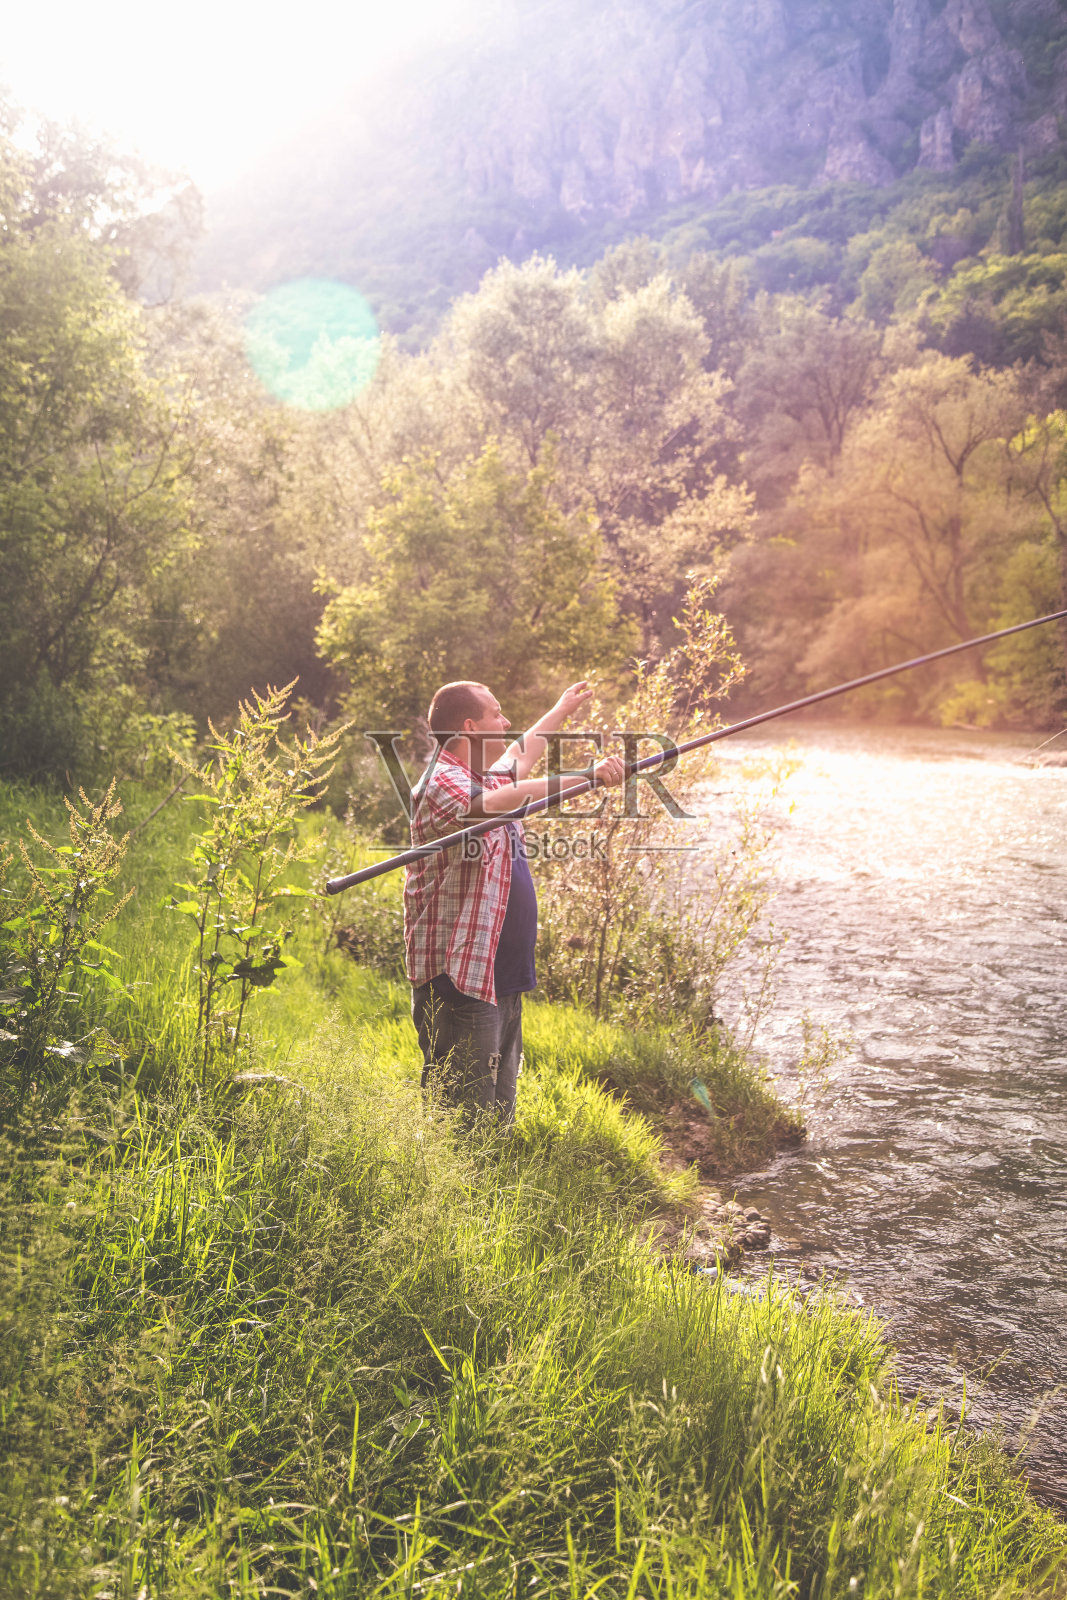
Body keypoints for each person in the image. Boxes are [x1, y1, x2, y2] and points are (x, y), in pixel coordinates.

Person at [404, 679, 625, 1124]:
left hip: (496, 974)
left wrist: (561, 708)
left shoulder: (475, 773)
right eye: (497, 715)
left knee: (498, 1109)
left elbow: (519, 757)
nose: (506, 723)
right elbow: (497, 801)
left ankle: (489, 1183)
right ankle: (451, 1191)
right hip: (459, 979)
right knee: (460, 1117)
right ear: (470, 726)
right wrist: (588, 776)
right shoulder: (442, 783)